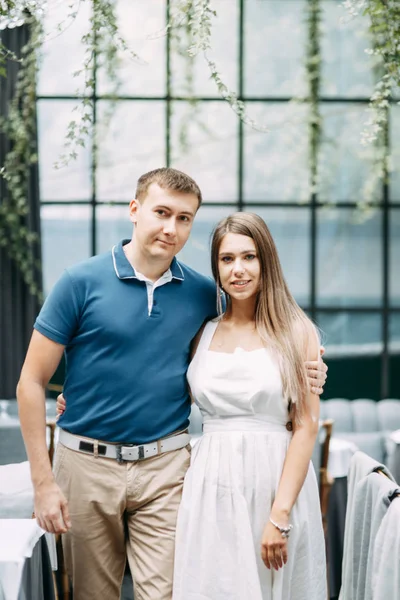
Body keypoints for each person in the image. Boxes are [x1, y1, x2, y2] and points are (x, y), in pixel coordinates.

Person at [17, 168, 327, 600]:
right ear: (134, 209)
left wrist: (311, 368)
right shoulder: (78, 283)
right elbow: (31, 382)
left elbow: (251, 351)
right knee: (91, 594)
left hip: (167, 468)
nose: (171, 227)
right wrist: (44, 482)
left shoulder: (205, 295)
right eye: (161, 212)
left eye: (184, 218)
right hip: (86, 463)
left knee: (170, 593)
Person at [172, 212, 327, 600]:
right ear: (216, 267)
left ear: (266, 262)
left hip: (274, 482)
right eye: (227, 259)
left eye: (249, 257)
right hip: (210, 485)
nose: (238, 270)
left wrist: (280, 516)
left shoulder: (296, 331)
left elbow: (306, 427)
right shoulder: (202, 332)